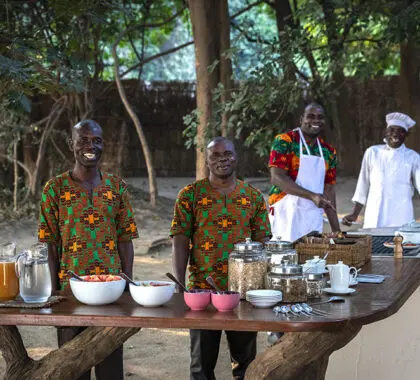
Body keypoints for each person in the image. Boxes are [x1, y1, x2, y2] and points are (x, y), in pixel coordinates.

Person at [38, 120, 138, 380]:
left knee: (110, 368)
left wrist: (127, 284)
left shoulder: (117, 187)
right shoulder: (54, 189)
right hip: (70, 293)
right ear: (71, 145)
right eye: (83, 140)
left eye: (96, 140)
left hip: (111, 291)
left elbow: (126, 239)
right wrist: (53, 291)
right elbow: (49, 243)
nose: (90, 146)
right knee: (73, 367)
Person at [170, 137, 271, 380]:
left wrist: (263, 287)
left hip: (243, 292)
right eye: (215, 155)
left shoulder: (253, 197)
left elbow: (263, 244)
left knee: (246, 364)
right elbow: (180, 240)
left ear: (236, 157)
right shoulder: (190, 195)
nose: (222, 159)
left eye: (227, 154)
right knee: (201, 366)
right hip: (202, 292)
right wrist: (180, 285)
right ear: (206, 160)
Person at [268, 103, 340, 242]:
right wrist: (312, 196)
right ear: (301, 119)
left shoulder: (328, 151)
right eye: (310, 116)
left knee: (312, 259)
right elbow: (277, 178)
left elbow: (329, 189)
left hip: (312, 214)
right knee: (282, 259)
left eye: (320, 117)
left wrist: (336, 229)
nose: (316, 120)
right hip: (285, 211)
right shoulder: (285, 141)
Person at [343, 112, 420, 228]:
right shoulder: (372, 152)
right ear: (386, 132)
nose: (395, 134)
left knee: (399, 244)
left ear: (406, 135)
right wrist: (355, 214)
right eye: (392, 130)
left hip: (401, 215)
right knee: (374, 244)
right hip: (375, 215)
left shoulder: (413, 157)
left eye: (401, 131)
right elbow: (362, 185)